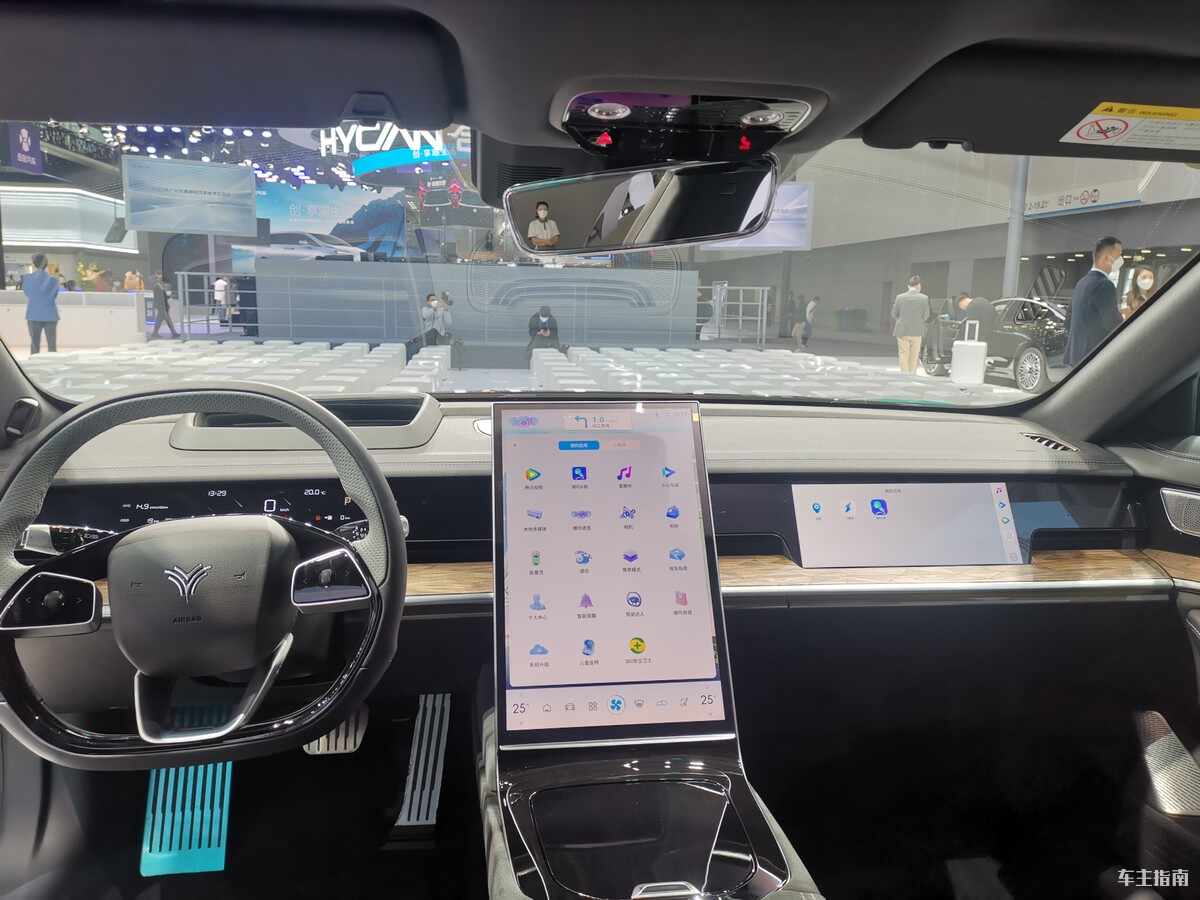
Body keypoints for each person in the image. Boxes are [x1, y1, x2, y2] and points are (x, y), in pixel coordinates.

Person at [1063, 236, 1123, 366]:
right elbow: (1113, 324)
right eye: (1119, 256)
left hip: (1076, 356)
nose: (1121, 260)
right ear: (1106, 258)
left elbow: (1068, 321)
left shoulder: (1081, 282)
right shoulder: (1105, 285)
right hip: (1094, 359)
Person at [21, 253, 60, 354]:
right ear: (46, 264)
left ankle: (34, 363)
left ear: (34, 263)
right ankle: (53, 363)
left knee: (34, 345)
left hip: (33, 314)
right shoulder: (54, 280)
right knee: (52, 346)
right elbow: (54, 295)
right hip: (50, 315)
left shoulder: (26, 278)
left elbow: (27, 294)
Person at [892, 275, 931, 374]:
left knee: (903, 354)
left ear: (908, 286)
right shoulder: (924, 298)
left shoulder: (900, 297)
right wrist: (918, 321)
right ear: (918, 286)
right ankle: (912, 374)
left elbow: (894, 314)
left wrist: (902, 320)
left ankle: (904, 375)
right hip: (917, 331)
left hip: (902, 330)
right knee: (914, 355)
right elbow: (926, 315)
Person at [150, 271, 178, 339]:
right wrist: (162, 306)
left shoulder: (160, 286)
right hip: (161, 306)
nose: (160, 277)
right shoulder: (156, 286)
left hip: (164, 305)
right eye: (158, 276)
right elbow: (158, 297)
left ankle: (173, 333)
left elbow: (163, 296)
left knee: (164, 320)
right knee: (163, 320)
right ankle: (155, 333)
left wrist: (170, 296)